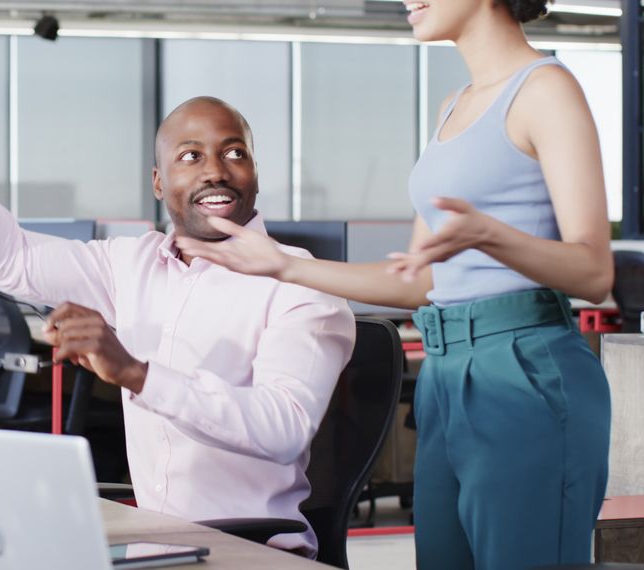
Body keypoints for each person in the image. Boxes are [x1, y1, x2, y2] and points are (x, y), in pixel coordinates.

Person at [176, 0, 612, 568]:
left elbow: (594, 271)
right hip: (447, 375)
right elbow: (417, 280)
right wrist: (282, 265)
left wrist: (490, 235)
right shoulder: (452, 106)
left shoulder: (545, 88)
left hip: (525, 368)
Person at [0, 68, 355, 557]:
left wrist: (136, 373)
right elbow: (3, 257)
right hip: (156, 548)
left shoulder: (300, 282)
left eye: (235, 153)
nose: (216, 171)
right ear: (159, 183)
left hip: (253, 553)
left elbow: (283, 428)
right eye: (191, 156)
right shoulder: (129, 264)